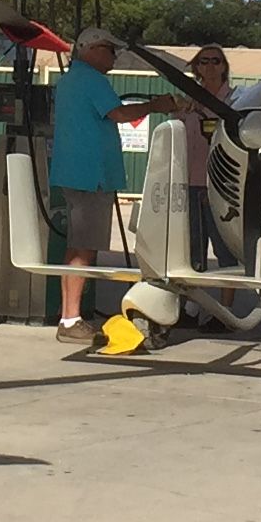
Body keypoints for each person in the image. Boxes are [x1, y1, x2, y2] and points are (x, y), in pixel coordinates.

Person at [50, 26, 175, 336]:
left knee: (77, 247)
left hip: (74, 173)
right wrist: (155, 106)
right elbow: (118, 113)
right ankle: (70, 319)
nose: (114, 55)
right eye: (109, 48)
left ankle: (68, 313)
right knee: (84, 248)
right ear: (90, 49)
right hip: (91, 176)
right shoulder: (93, 80)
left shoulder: (69, 80)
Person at [182, 46, 232, 270]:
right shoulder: (188, 101)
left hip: (221, 186)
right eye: (203, 61)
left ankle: (226, 306)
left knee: (226, 250)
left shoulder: (235, 100)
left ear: (224, 66)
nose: (210, 66)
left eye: (216, 60)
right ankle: (192, 304)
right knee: (191, 251)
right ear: (197, 67)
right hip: (189, 184)